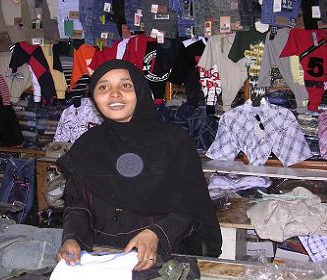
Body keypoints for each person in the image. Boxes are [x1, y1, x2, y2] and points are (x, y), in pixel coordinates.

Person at [56, 60, 222, 271]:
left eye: (125, 86)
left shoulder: (173, 142)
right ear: (95, 97)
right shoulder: (88, 146)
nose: (114, 94)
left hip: (162, 259)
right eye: (103, 87)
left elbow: (192, 208)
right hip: (98, 261)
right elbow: (77, 204)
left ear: (141, 91)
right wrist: (72, 239)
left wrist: (156, 234)